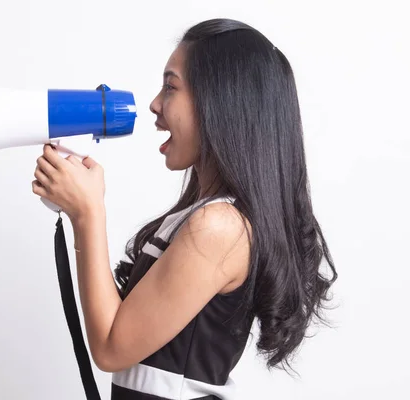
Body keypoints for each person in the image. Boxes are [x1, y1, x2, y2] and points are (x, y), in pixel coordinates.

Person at [31, 18, 337, 400]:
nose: (155, 104)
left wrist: (87, 214)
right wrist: (81, 212)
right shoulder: (204, 216)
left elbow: (111, 347)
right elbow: (122, 333)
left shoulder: (219, 227)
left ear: (221, 102)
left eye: (171, 86)